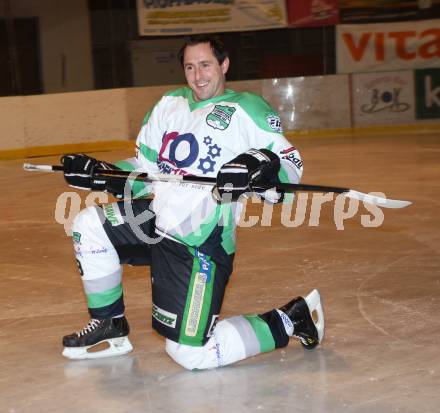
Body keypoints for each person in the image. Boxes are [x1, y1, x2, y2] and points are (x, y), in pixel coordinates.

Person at [60, 34, 324, 369]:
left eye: (205, 65)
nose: (197, 75)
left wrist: (259, 169)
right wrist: (102, 173)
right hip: (155, 220)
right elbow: (144, 173)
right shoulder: (170, 103)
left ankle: (290, 320)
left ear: (223, 65)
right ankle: (110, 325)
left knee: (189, 354)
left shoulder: (248, 108)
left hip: (200, 242)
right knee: (88, 225)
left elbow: (290, 168)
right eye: (189, 67)